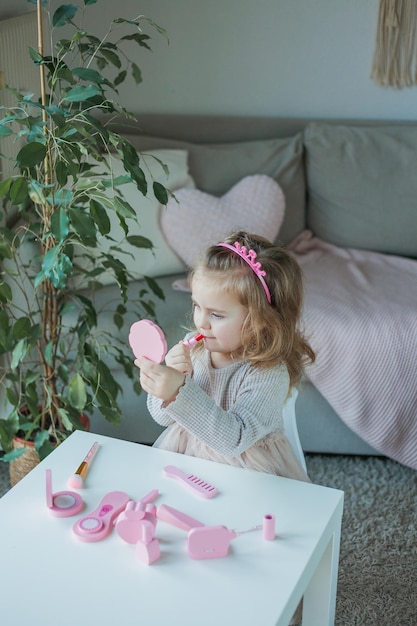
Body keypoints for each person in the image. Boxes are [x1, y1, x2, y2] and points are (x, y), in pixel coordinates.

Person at [136, 230, 315, 482]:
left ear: (260, 321)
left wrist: (179, 391)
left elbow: (235, 440)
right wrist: (166, 386)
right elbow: (162, 418)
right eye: (197, 306)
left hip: (247, 470)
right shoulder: (197, 351)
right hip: (187, 458)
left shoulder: (267, 372)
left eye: (216, 315)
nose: (201, 322)